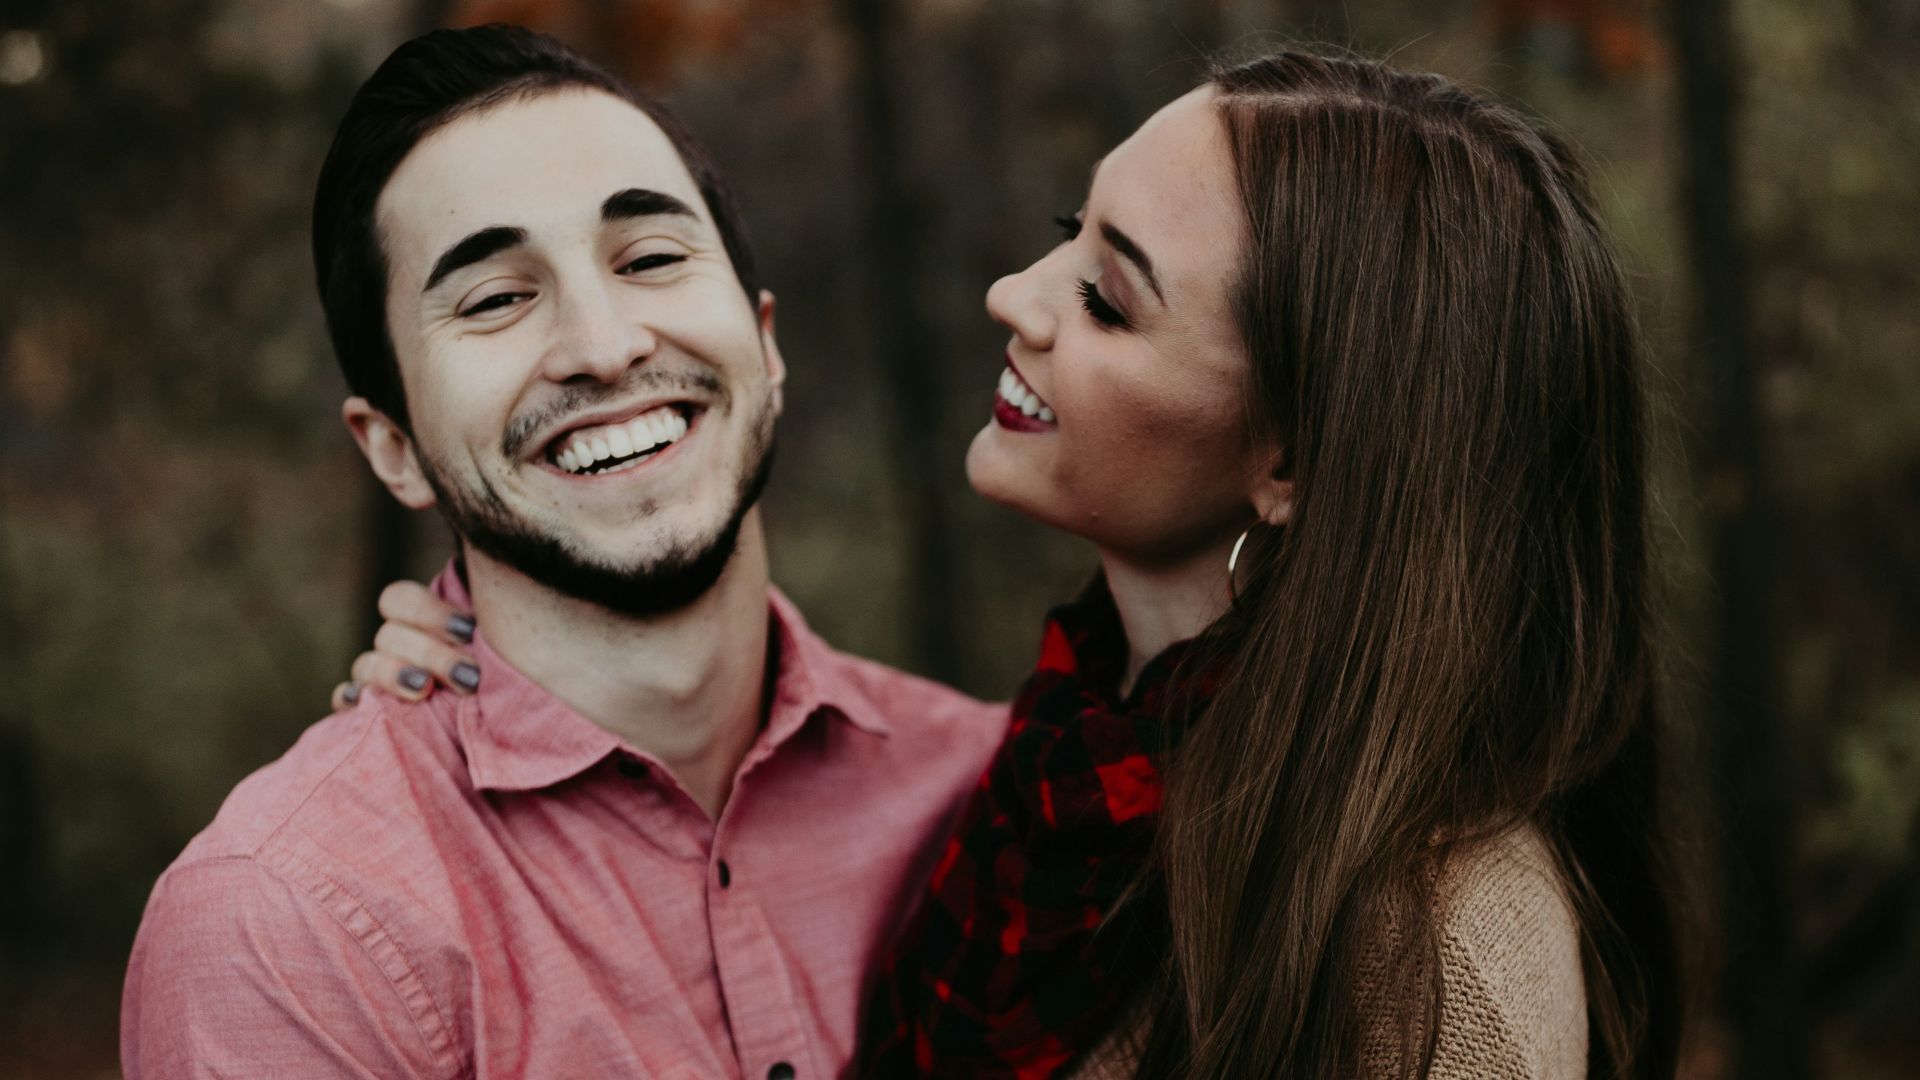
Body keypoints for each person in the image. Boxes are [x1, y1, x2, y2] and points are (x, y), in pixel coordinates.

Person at [353, 48, 1686, 1080]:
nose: (1017, 295)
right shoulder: (1050, 781)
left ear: (1291, 462)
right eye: (1069, 228)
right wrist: (503, 673)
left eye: (1107, 298)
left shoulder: (1439, 948)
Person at [119, 26, 1009, 1079]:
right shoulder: (289, 926)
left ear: (766, 346)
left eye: (652, 258)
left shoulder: (996, 798)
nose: (603, 346)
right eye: (496, 299)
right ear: (393, 448)